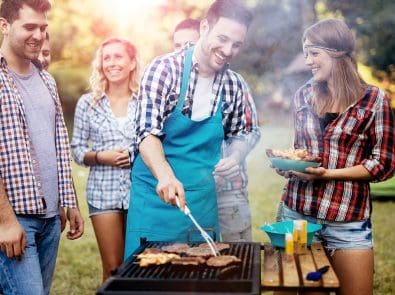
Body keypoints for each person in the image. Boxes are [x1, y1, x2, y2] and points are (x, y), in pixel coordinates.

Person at [124, 0, 254, 257]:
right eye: (223, 38)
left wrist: (236, 157)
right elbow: (147, 133)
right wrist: (165, 175)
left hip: (203, 205)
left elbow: (241, 132)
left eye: (236, 44)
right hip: (155, 201)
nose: (228, 50)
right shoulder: (163, 70)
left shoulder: (234, 84)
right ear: (205, 26)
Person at [276, 19, 395, 295]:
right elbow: (300, 150)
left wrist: (329, 174)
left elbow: (384, 162)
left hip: (348, 222)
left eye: (314, 53)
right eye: (305, 53)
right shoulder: (303, 95)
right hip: (297, 217)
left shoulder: (373, 100)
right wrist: (288, 166)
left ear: (338, 53)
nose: (308, 61)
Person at [0, 0, 84, 294]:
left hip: (51, 219)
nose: (38, 35)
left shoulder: (46, 80)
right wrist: (5, 222)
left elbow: (58, 143)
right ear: (4, 25)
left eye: (43, 28)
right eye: (29, 27)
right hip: (15, 220)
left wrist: (69, 202)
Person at [172, 18, 261, 242]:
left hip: (229, 193)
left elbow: (250, 130)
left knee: (237, 261)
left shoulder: (234, 84)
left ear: (204, 35)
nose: (185, 49)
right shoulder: (170, 80)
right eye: (178, 45)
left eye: (189, 43)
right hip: (185, 191)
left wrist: (234, 157)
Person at [71, 37, 140, 281]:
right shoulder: (88, 104)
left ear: (132, 63)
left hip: (140, 192)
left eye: (118, 56)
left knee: (140, 266)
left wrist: (133, 154)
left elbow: (156, 143)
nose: (111, 63)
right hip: (103, 194)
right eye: (106, 57)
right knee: (113, 269)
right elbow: (77, 151)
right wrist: (102, 157)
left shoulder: (144, 102)